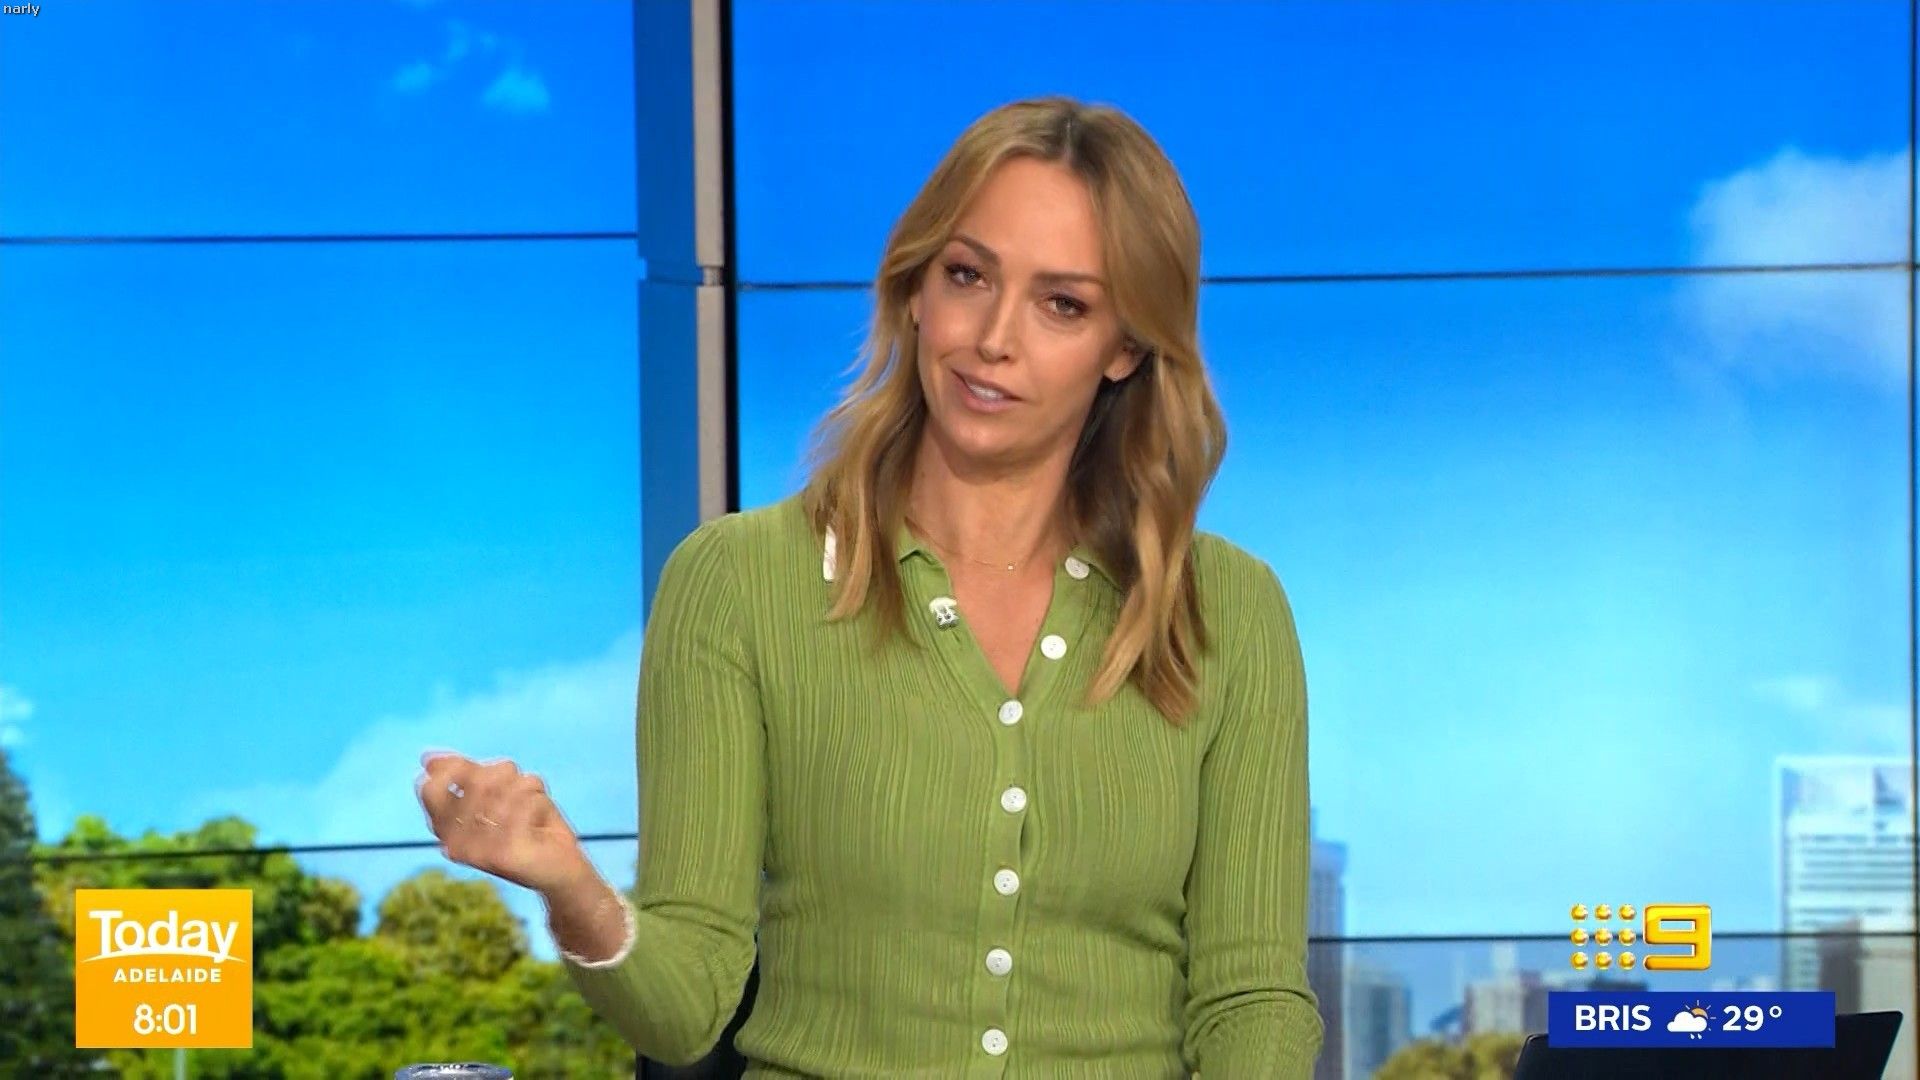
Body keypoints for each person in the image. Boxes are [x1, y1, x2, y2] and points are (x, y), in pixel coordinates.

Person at [415, 95, 1322, 1078]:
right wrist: (569, 884)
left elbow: (1251, 1001)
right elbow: (684, 1012)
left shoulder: (1229, 613)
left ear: (1126, 347)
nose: (994, 338)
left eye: (1063, 304)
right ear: (915, 289)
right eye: (968, 275)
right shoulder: (738, 583)